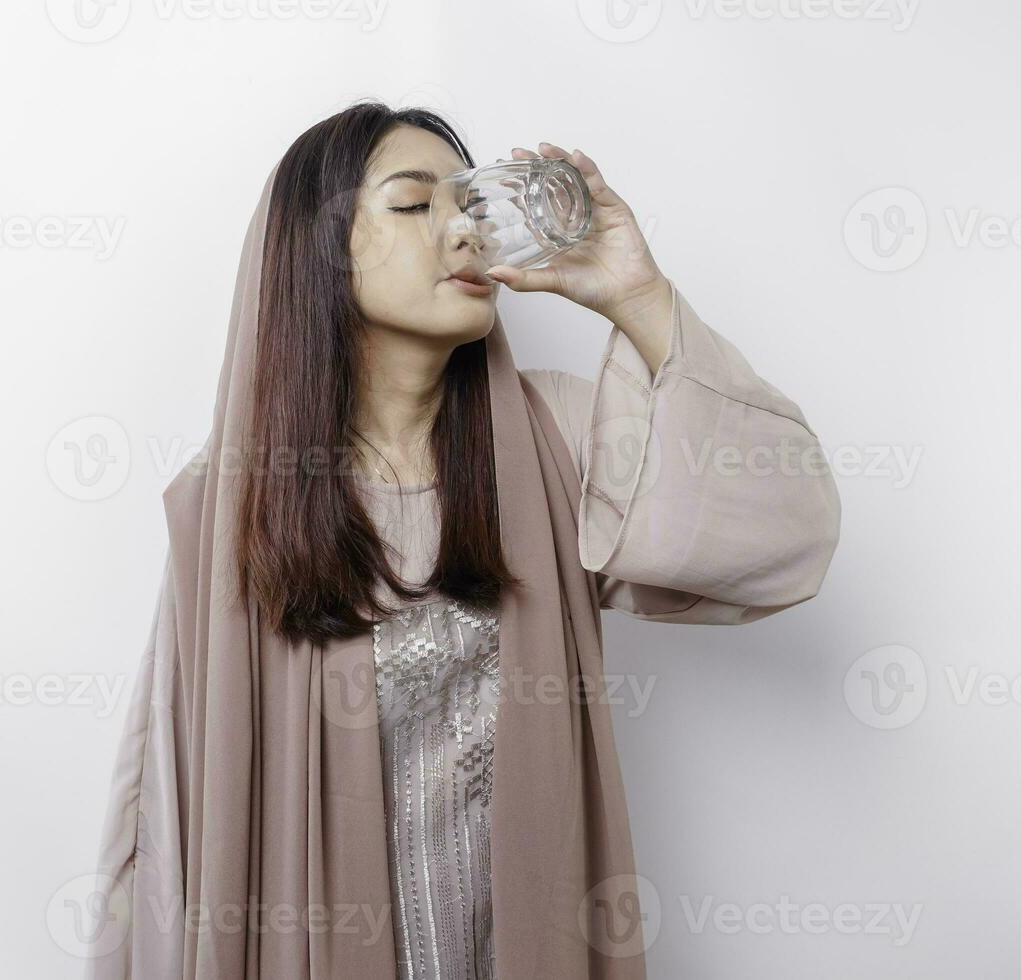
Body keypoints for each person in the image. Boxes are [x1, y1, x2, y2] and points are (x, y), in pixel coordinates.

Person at [85, 100, 841, 980]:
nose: (462, 233)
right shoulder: (232, 501)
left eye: (471, 207)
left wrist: (640, 297)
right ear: (318, 251)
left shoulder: (554, 436)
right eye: (413, 206)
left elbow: (788, 529)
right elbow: (167, 799)